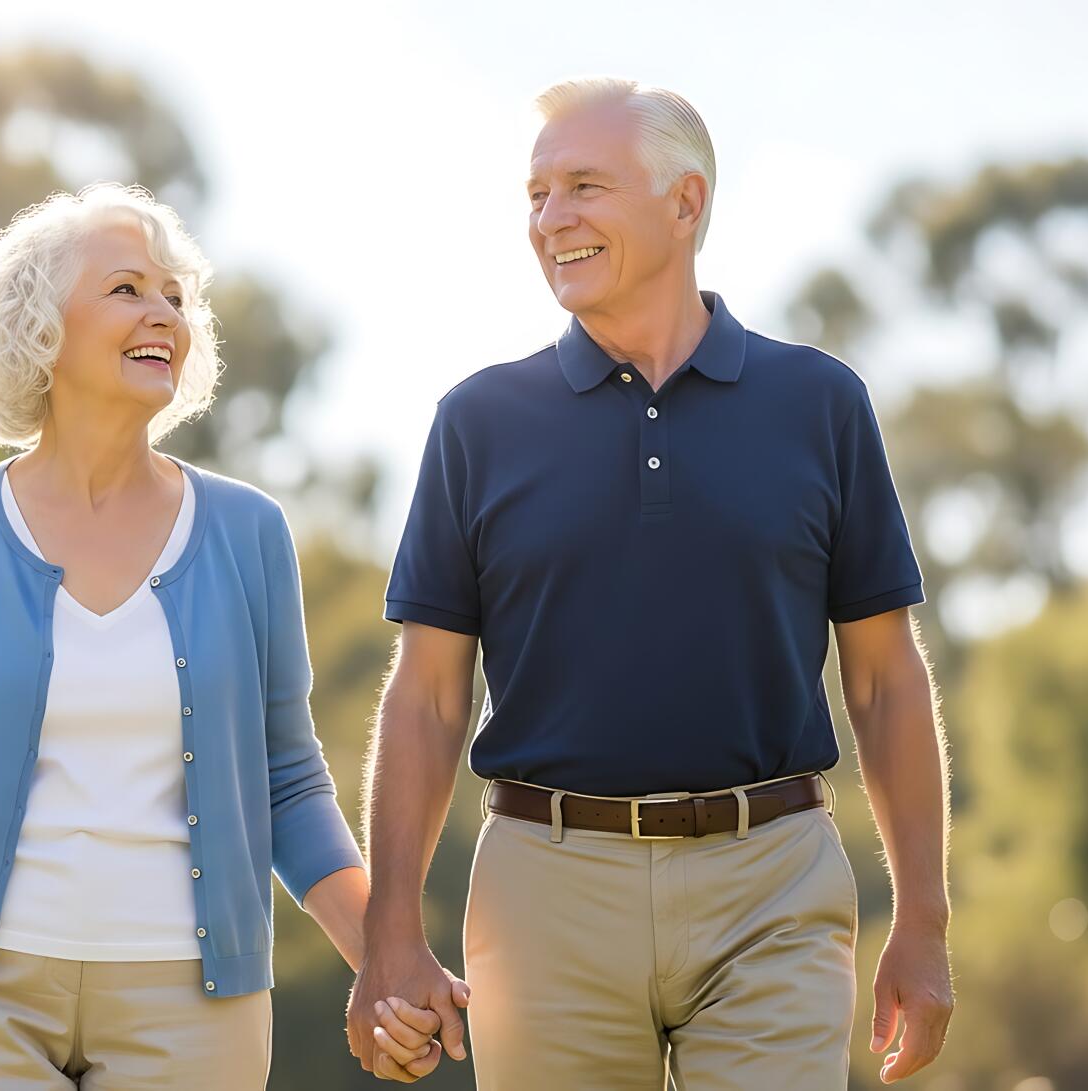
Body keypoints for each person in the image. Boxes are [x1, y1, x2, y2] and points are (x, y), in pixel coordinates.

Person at [346, 77, 956, 1088]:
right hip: (544, 886)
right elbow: (426, 693)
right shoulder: (478, 422)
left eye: (583, 185)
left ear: (685, 202)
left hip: (774, 881)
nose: (552, 219)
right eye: (535, 195)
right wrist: (389, 931)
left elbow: (886, 681)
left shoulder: (819, 403)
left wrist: (925, 923)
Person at [0, 182, 452, 1090]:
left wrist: (385, 960)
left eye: (176, 297)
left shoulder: (248, 533)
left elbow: (288, 782)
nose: (164, 313)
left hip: (193, 1004)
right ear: (40, 325)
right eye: (127, 289)